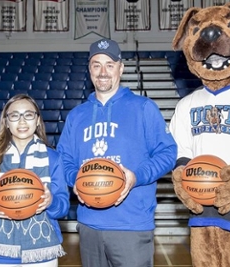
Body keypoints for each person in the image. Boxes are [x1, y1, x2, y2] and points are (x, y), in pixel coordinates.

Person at [56, 38, 177, 267]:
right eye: (96, 65)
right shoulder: (77, 115)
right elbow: (64, 159)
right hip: (89, 224)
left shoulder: (143, 108)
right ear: (89, 69)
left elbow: (167, 153)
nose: (103, 72)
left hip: (131, 225)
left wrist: (136, 177)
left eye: (109, 64)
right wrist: (76, 180)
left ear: (121, 68)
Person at [0, 94, 69, 267]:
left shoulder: (53, 158)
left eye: (28, 114)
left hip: (42, 251)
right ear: (6, 122)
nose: (22, 121)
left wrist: (51, 202)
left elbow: (63, 207)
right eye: (15, 115)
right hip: (1, 252)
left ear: (38, 120)